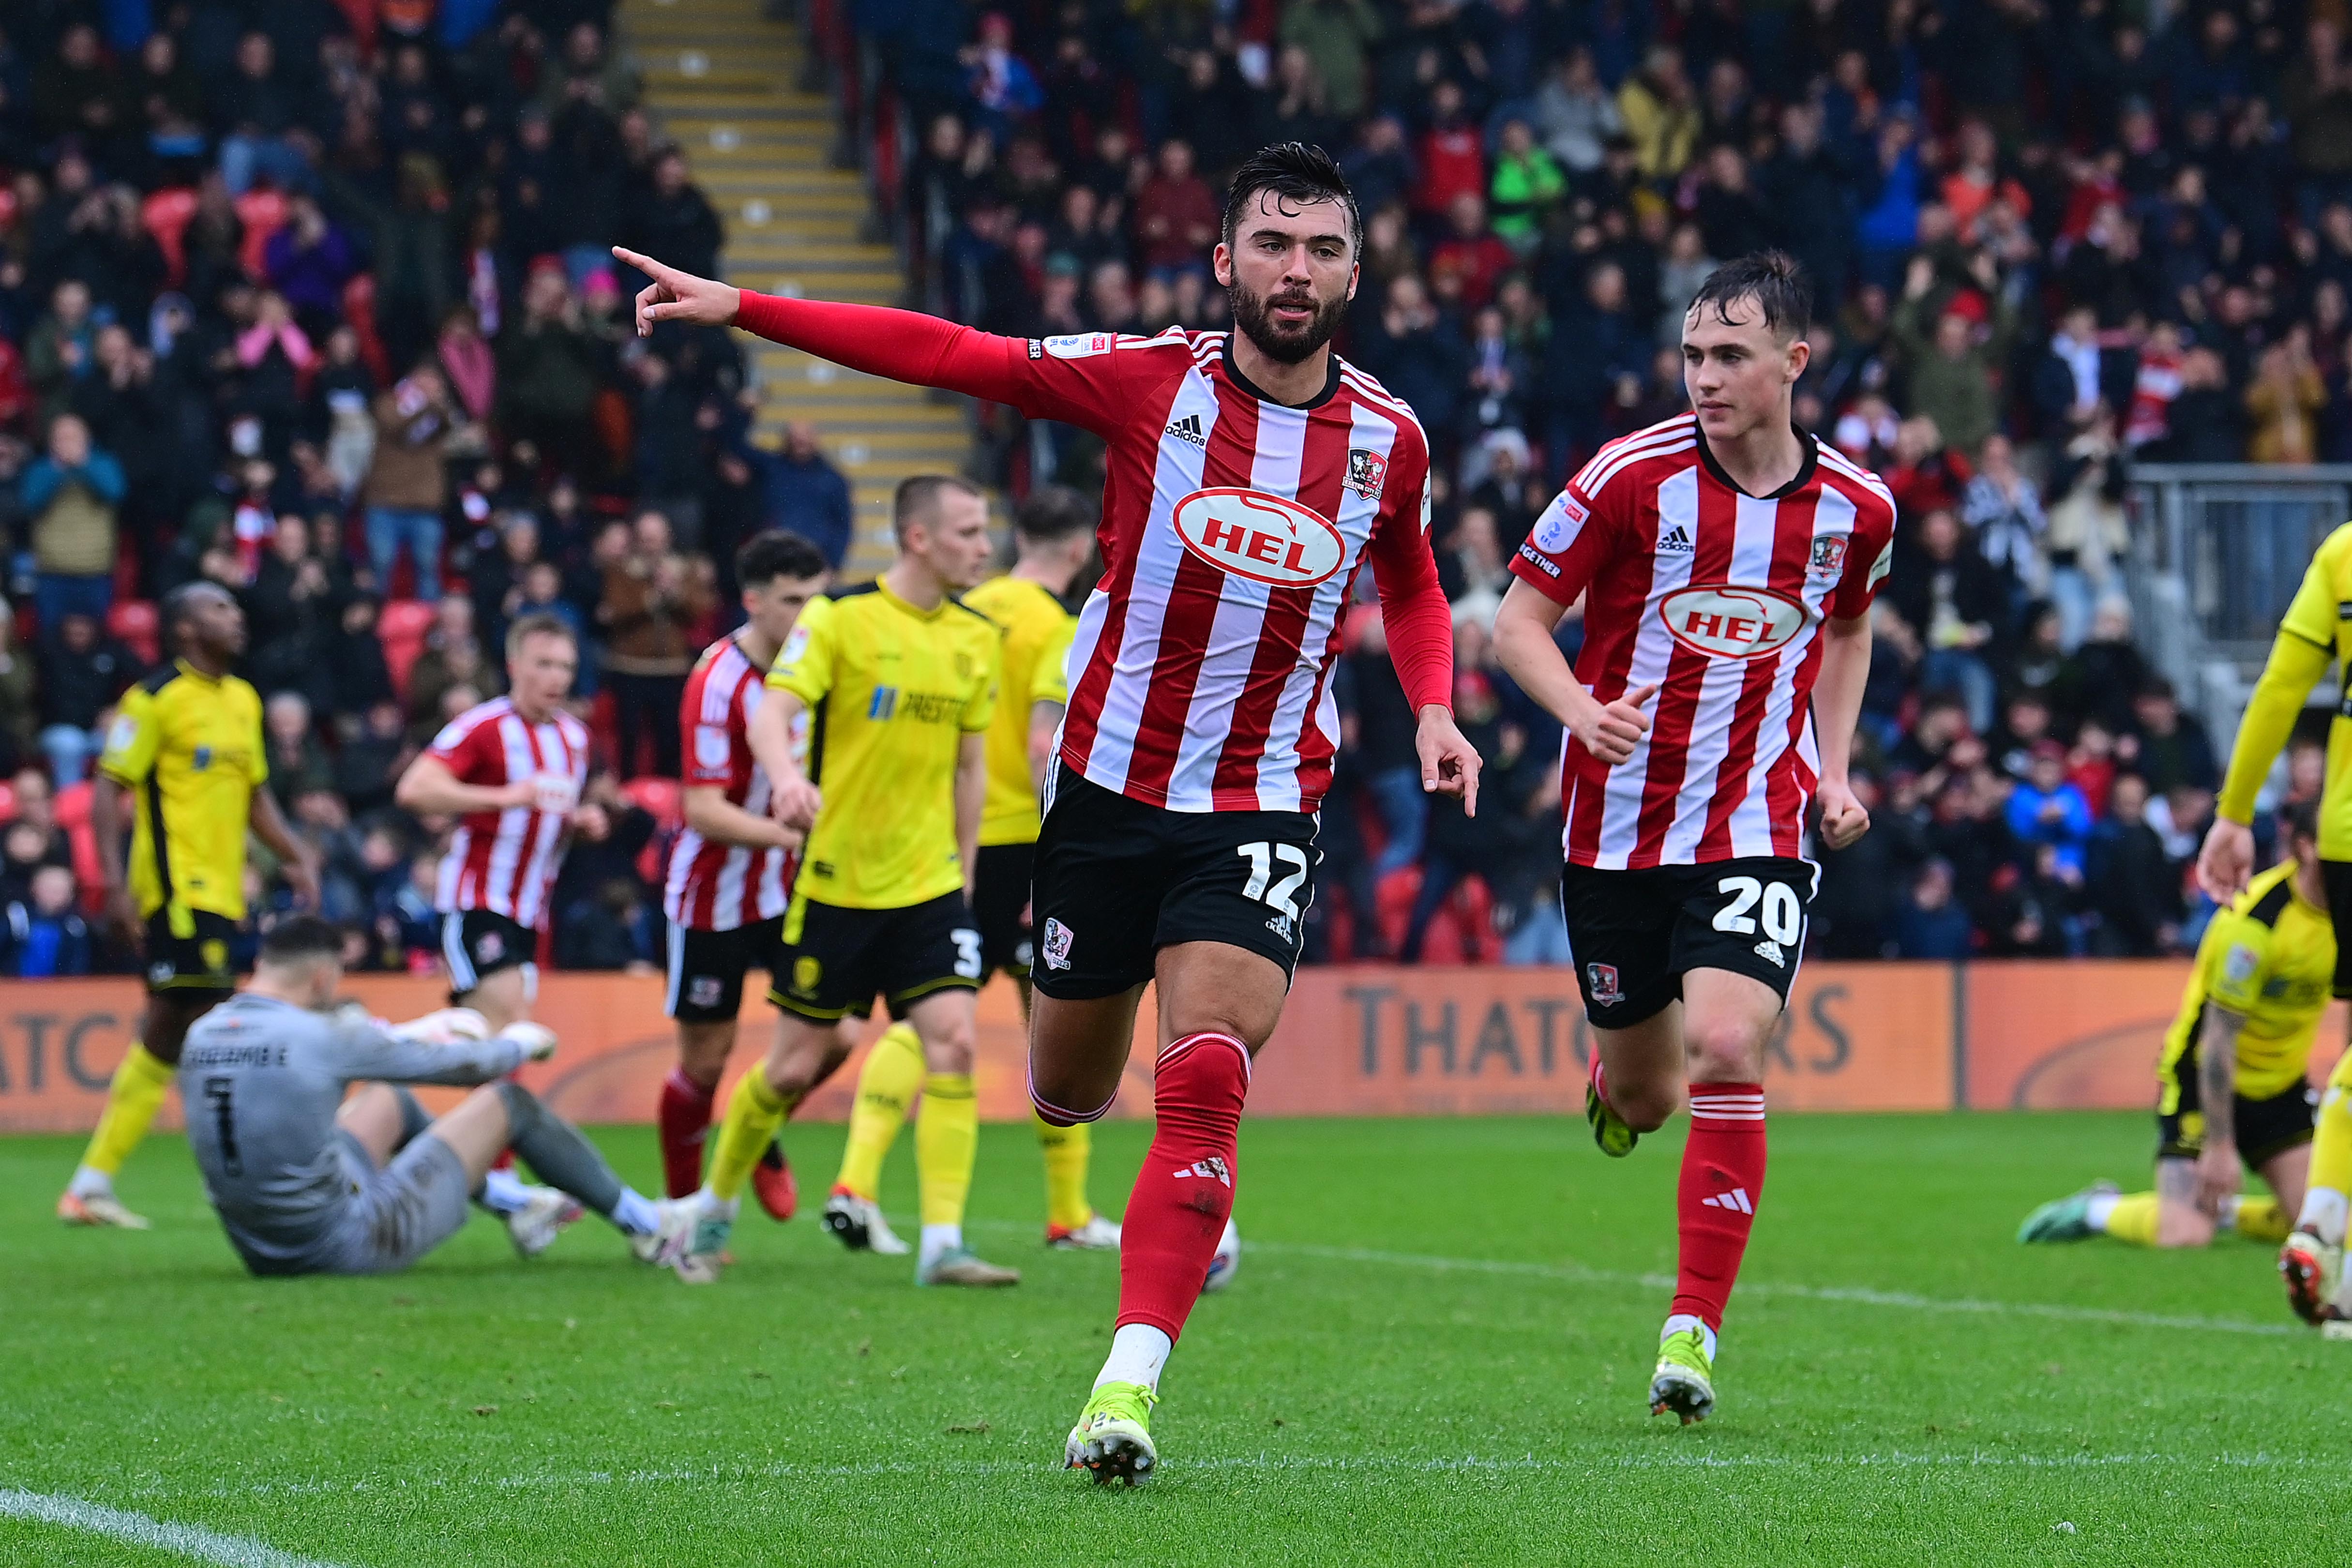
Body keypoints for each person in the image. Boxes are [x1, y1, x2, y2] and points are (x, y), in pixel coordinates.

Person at [616, 140, 1478, 1479]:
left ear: (1353, 272)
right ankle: (1060, 1151)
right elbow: (950, 352)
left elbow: (1413, 582)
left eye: (1318, 249)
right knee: (1069, 1091)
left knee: (1203, 1075)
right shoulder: (1152, 380)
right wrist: (746, 307)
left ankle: (1124, 1390)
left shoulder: (1388, 436)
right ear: (1225, 261)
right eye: (1270, 243)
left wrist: (1430, 704)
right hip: (1105, 794)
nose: (1293, 271)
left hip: (1260, 801)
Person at [1493, 252, 1893, 1425]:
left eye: (1728, 355)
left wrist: (1832, 767)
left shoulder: (1857, 508)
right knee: (1650, 1090)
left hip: (1758, 818)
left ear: (1792, 363)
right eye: (1692, 355)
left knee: (1729, 1041)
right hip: (1613, 830)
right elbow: (1516, 623)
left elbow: (1850, 631)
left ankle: (1691, 1329)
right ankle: (1619, 1087)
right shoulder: (1629, 476)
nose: (1704, 376)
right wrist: (1581, 711)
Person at [675, 476, 1011, 1290]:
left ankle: (943, 1246)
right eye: (968, 531)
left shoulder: (977, 638)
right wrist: (787, 778)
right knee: (793, 1067)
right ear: (920, 539)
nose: (983, 546)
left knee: (956, 1043)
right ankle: (712, 1209)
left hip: (929, 884)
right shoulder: (840, 618)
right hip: (837, 884)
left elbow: (970, 765)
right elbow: (769, 714)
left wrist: (963, 874)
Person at [828, 484, 1120, 1252]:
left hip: (951, 838)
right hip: (1024, 843)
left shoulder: (974, 603)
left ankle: (860, 1181)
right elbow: (1041, 746)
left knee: (940, 1009)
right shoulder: (1060, 627)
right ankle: (1066, 1211)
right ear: (1081, 547)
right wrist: (1058, 860)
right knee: (1037, 1018)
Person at [180, 916, 697, 1277]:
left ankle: (516, 1205)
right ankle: (648, 1225)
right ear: (322, 976)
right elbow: (467, 1068)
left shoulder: (203, 1033)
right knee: (508, 1106)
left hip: (257, 1247)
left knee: (390, 1099)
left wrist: (417, 1030)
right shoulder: (324, 1034)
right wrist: (519, 1042)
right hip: (341, 1244)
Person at [58, 583, 323, 1229]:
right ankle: (246, 1181)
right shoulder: (153, 701)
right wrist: (115, 888)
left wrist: (296, 856)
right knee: (216, 1033)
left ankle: (92, 1185)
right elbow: (106, 790)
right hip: (177, 896)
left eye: (236, 608)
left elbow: (255, 796)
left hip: (225, 894)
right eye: (219, 609)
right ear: (183, 629)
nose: (236, 618)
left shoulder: (243, 700)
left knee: (176, 1035)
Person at [2020, 800, 2325, 1263]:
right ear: (2307, 847)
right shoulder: (2257, 923)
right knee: (2182, 1235)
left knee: (2324, 1227)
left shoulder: (2341, 918)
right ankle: (2098, 1209)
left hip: (2279, 1086)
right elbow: (2218, 1041)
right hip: (2203, 1080)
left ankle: (2224, 1213)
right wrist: (2220, 1146)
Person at [656, 530, 834, 1240]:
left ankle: (753, 1129)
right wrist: (797, 835)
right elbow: (701, 810)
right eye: (795, 601)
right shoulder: (717, 680)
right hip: (714, 895)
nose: (810, 615)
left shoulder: (824, 663)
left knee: (839, 1032)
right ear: (754, 602)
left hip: (796, 888)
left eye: (818, 599)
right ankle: (680, 1216)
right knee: (703, 1064)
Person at [392, 615, 609, 1035]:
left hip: (532, 910)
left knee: (487, 1041)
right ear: (514, 666)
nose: (556, 677)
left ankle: (404, 1065)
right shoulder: (484, 726)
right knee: (509, 1023)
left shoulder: (576, 739)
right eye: (543, 664)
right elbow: (414, 790)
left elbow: (555, 817)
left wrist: (582, 823)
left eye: (565, 667)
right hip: (479, 899)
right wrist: (503, 798)